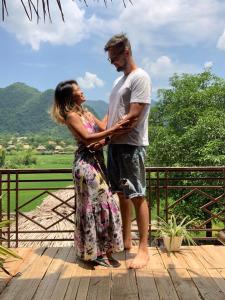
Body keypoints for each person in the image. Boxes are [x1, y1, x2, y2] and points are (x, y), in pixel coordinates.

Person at [51, 79, 130, 267]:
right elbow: (87, 139)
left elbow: (102, 129)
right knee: (96, 206)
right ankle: (95, 253)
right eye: (78, 90)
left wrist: (113, 110)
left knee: (105, 203)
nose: (82, 91)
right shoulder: (71, 116)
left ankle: (99, 250)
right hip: (86, 166)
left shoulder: (86, 113)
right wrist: (113, 130)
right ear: (71, 96)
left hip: (97, 163)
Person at [104, 33, 151, 269]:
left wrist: (104, 137)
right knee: (121, 194)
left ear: (126, 52)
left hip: (131, 144)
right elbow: (112, 114)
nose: (112, 62)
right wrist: (98, 135)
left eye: (114, 58)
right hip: (114, 145)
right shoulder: (117, 82)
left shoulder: (140, 77)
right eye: (110, 58)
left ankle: (143, 249)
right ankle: (126, 239)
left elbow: (133, 117)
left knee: (137, 194)